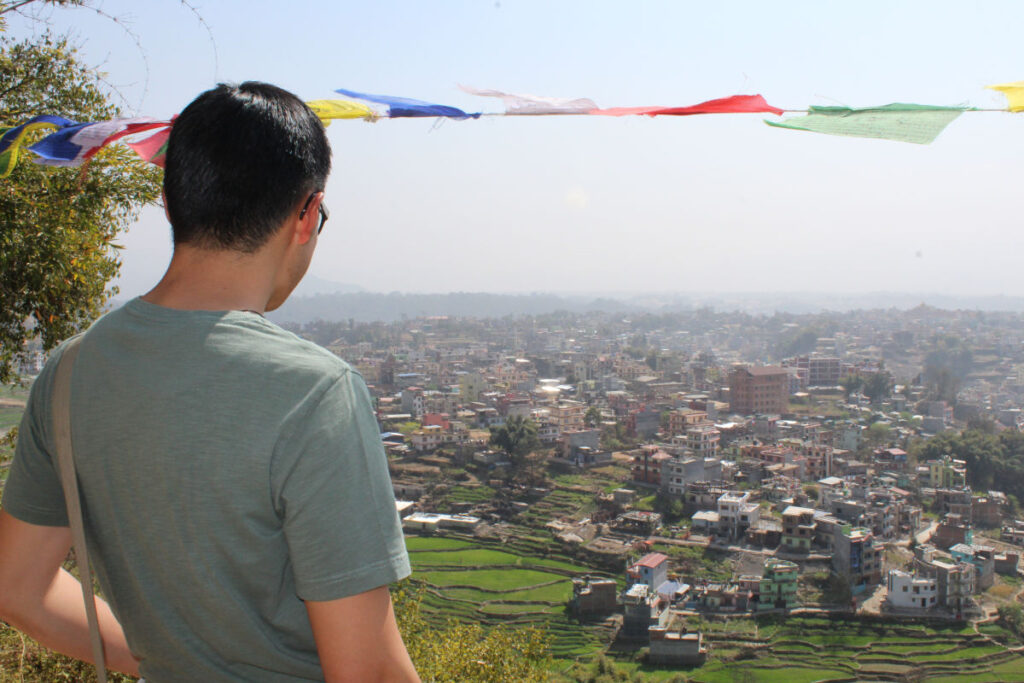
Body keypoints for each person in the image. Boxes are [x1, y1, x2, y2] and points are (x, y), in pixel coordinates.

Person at [0, 82, 420, 682]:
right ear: (305, 215)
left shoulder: (67, 372)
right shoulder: (313, 393)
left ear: (169, 203)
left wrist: (166, 660)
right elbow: (369, 673)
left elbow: (18, 590)